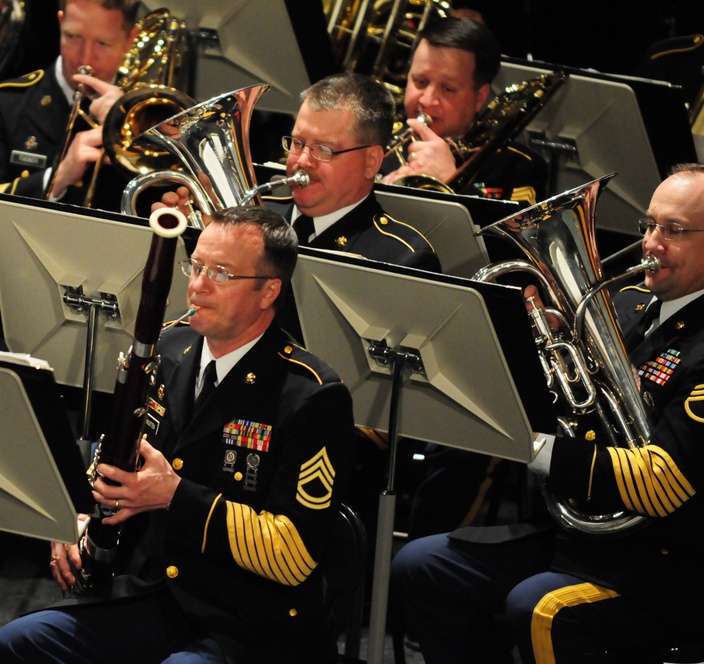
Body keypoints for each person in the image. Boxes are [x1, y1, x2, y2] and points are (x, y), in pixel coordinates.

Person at [0, 205, 356, 664]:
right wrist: (77, 515)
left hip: (251, 620)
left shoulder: (311, 395)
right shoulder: (169, 346)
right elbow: (115, 450)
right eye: (196, 266)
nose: (198, 285)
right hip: (157, 592)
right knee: (20, 643)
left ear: (269, 291)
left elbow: (293, 554)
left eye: (221, 273)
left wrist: (175, 496)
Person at [391, 163, 704, 662]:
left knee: (539, 607)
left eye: (675, 231)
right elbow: (579, 407)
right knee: (421, 565)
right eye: (649, 225)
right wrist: (531, 343)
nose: (651, 243)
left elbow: (663, 483)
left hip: (666, 562)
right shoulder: (626, 304)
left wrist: (536, 449)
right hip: (581, 538)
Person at [0, 0, 138, 200]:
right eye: (73, 36)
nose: (85, 58)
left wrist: (129, 130)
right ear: (60, 22)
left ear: (130, 40)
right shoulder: (5, 102)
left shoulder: (144, 119)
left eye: (103, 43)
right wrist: (56, 179)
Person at [267, 72, 440, 271]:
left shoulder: (403, 259)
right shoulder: (256, 219)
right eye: (298, 143)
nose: (303, 160)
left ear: (370, 161)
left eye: (324, 149)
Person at [381, 16, 548, 206]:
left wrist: (449, 180)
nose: (427, 100)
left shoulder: (518, 167)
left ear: (480, 97)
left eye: (448, 89)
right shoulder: (378, 141)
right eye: (420, 82)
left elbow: (509, 235)